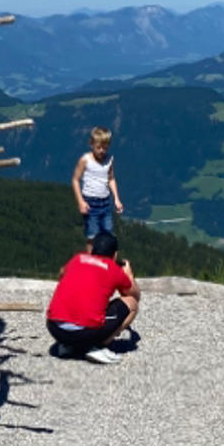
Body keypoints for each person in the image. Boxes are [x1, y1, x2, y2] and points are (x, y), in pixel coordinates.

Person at [45, 232, 139, 363]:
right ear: (115, 254)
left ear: (92, 250)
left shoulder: (78, 259)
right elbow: (133, 295)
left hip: (55, 328)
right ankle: (96, 347)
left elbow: (61, 273)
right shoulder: (112, 269)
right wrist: (129, 274)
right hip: (85, 333)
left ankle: (68, 346)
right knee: (132, 304)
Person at [72, 126, 123, 240]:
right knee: (92, 236)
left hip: (105, 203)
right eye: (98, 148)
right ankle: (91, 257)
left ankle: (107, 257)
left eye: (105, 148)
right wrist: (80, 202)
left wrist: (116, 199)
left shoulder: (109, 159)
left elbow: (111, 178)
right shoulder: (85, 160)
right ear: (92, 145)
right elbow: (75, 179)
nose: (101, 151)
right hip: (90, 203)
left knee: (109, 234)